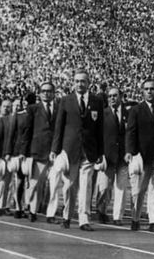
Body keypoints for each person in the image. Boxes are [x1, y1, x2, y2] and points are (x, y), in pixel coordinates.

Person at [51, 69, 104, 231]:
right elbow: (59, 126)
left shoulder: (97, 101)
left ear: (88, 83)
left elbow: (100, 129)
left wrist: (100, 152)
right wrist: (55, 149)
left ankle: (84, 219)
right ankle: (66, 216)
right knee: (69, 185)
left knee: (86, 185)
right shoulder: (65, 101)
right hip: (70, 149)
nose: (80, 84)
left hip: (89, 149)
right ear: (73, 83)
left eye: (83, 81)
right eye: (77, 81)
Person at [125, 78, 154, 233]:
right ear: (142, 92)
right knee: (139, 190)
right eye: (147, 89)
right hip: (143, 155)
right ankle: (135, 218)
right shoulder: (136, 110)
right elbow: (131, 132)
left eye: (152, 89)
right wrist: (129, 151)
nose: (150, 91)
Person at [24, 81, 58, 223]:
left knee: (54, 185)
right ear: (39, 93)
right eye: (43, 91)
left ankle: (50, 214)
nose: (46, 93)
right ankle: (32, 210)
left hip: (55, 151)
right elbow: (27, 131)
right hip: (38, 151)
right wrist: (25, 153)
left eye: (49, 91)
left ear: (54, 93)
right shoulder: (33, 109)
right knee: (35, 184)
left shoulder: (59, 108)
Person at [95, 87, 129, 226]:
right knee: (104, 187)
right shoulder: (103, 114)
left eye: (115, 95)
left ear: (121, 96)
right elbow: (97, 136)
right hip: (107, 156)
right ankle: (101, 211)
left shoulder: (128, 114)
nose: (112, 98)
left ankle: (117, 216)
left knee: (121, 188)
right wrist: (99, 154)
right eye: (110, 96)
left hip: (123, 156)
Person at [5, 93, 35, 219]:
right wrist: (8, 152)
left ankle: (30, 207)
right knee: (20, 180)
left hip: (32, 152)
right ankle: (19, 207)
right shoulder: (18, 116)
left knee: (32, 181)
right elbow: (11, 135)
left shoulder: (37, 115)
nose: (26, 104)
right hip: (19, 152)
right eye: (25, 102)